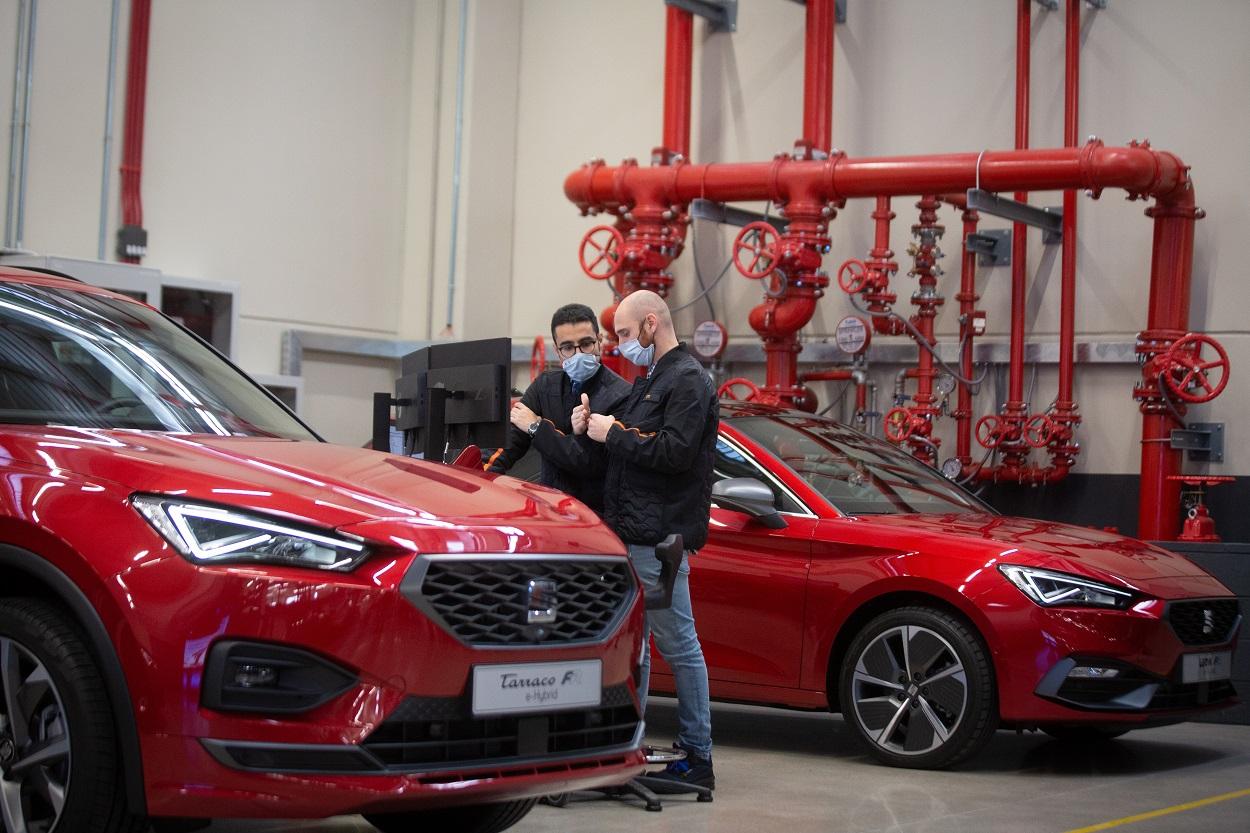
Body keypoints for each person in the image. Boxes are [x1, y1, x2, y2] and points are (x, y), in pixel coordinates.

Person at [575, 289, 718, 792]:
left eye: (627, 335)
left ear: (652, 324)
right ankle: (629, 748)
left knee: (680, 645)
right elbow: (629, 445)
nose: (622, 346)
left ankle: (698, 756)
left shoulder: (688, 380)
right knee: (639, 647)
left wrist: (613, 433)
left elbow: (675, 453)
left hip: (660, 537)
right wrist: (589, 426)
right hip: (633, 532)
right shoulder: (652, 380)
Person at [485, 303, 630, 517]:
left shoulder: (621, 395)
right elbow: (508, 443)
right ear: (557, 350)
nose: (578, 353)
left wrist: (536, 427)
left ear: (599, 341)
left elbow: (588, 462)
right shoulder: (545, 386)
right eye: (568, 347)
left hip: (597, 519)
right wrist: (478, 478)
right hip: (549, 513)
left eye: (586, 344)